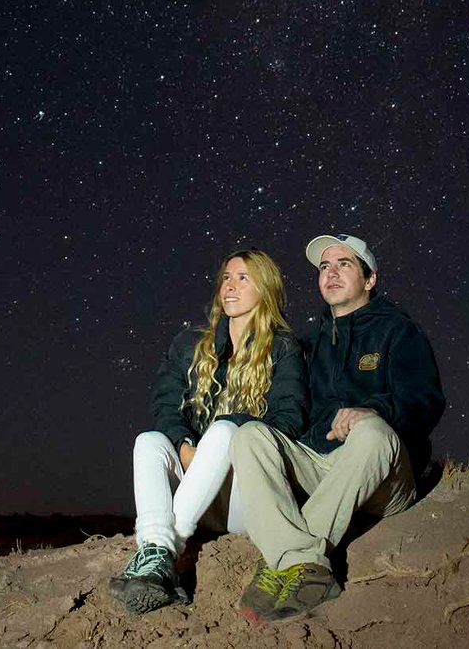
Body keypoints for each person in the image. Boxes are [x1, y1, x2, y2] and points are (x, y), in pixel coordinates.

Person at [229, 233, 445, 625]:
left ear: (370, 279)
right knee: (248, 437)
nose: (331, 273)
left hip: (382, 473)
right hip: (322, 467)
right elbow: (290, 408)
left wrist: (371, 409)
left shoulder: (398, 332)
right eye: (324, 267)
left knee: (371, 432)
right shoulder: (308, 344)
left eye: (344, 264)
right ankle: (301, 562)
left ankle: (285, 562)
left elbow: (426, 400)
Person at [107, 248, 306, 615]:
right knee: (148, 441)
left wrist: (231, 432)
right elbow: (165, 405)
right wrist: (184, 448)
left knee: (226, 429)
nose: (230, 286)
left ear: (265, 289)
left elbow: (291, 418)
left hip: (244, 500)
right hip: (198, 494)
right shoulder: (189, 344)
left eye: (243, 278)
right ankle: (157, 553)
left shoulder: (284, 348)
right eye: (226, 278)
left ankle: (161, 555)